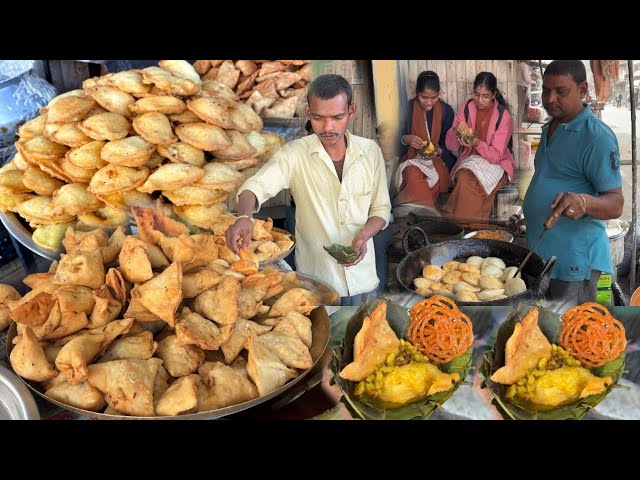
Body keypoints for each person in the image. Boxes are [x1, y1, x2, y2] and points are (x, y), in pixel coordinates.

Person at [225, 74, 392, 306]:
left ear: (351, 111)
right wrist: (244, 216)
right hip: (317, 284)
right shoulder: (295, 154)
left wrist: (365, 235)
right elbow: (255, 187)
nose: (328, 127)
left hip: (364, 279)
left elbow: (381, 208)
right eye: (318, 118)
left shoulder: (370, 152)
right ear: (308, 114)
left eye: (337, 117)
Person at [522, 60, 623, 306]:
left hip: (577, 269)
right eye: (546, 90)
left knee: (575, 335)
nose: (550, 98)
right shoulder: (550, 128)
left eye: (561, 91)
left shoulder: (596, 137)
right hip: (543, 257)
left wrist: (583, 202)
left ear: (582, 89)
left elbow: (616, 203)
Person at [441, 72, 515, 223]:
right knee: (463, 177)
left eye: (485, 96)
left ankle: (459, 224)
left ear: (494, 95)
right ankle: (471, 227)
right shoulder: (467, 107)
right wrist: (457, 131)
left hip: (496, 163)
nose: (479, 100)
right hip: (471, 159)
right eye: (477, 94)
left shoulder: (503, 115)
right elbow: (450, 145)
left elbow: (495, 156)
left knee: (468, 182)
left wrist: (476, 142)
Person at [393, 71, 454, 212]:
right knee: (412, 175)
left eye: (434, 98)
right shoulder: (406, 109)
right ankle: (426, 215)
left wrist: (439, 151)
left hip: (438, 161)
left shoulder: (446, 111)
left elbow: (449, 144)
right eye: (424, 97)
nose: (429, 102)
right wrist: (405, 139)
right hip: (412, 159)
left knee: (439, 180)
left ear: (439, 94)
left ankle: (419, 215)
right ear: (416, 93)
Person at [517, 60, 535, 125]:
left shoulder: (520, 65)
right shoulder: (524, 65)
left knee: (526, 103)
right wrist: (533, 82)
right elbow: (527, 78)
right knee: (521, 107)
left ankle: (521, 122)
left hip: (521, 87)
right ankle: (519, 125)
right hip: (521, 87)